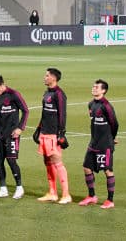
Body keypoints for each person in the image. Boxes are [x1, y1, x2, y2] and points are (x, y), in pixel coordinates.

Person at [0, 74, 29, 199]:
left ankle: (19, 187)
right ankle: (3, 189)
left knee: (11, 160)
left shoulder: (14, 94)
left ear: (2, 85)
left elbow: (25, 110)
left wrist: (20, 128)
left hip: (12, 134)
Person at [79, 79, 118, 209]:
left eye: (97, 87)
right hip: (93, 143)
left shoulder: (106, 106)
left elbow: (114, 123)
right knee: (86, 167)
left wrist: (111, 138)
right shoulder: (91, 104)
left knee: (107, 170)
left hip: (104, 145)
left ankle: (110, 200)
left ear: (103, 90)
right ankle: (92, 196)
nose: (94, 88)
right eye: (93, 86)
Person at [34, 67, 71, 204]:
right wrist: (38, 129)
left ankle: (66, 195)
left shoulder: (59, 94)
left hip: (53, 134)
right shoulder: (47, 93)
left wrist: (61, 133)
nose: (45, 77)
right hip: (44, 132)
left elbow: (63, 114)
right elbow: (45, 113)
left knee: (57, 162)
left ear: (53, 78)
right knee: (47, 162)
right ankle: (52, 192)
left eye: (47, 75)